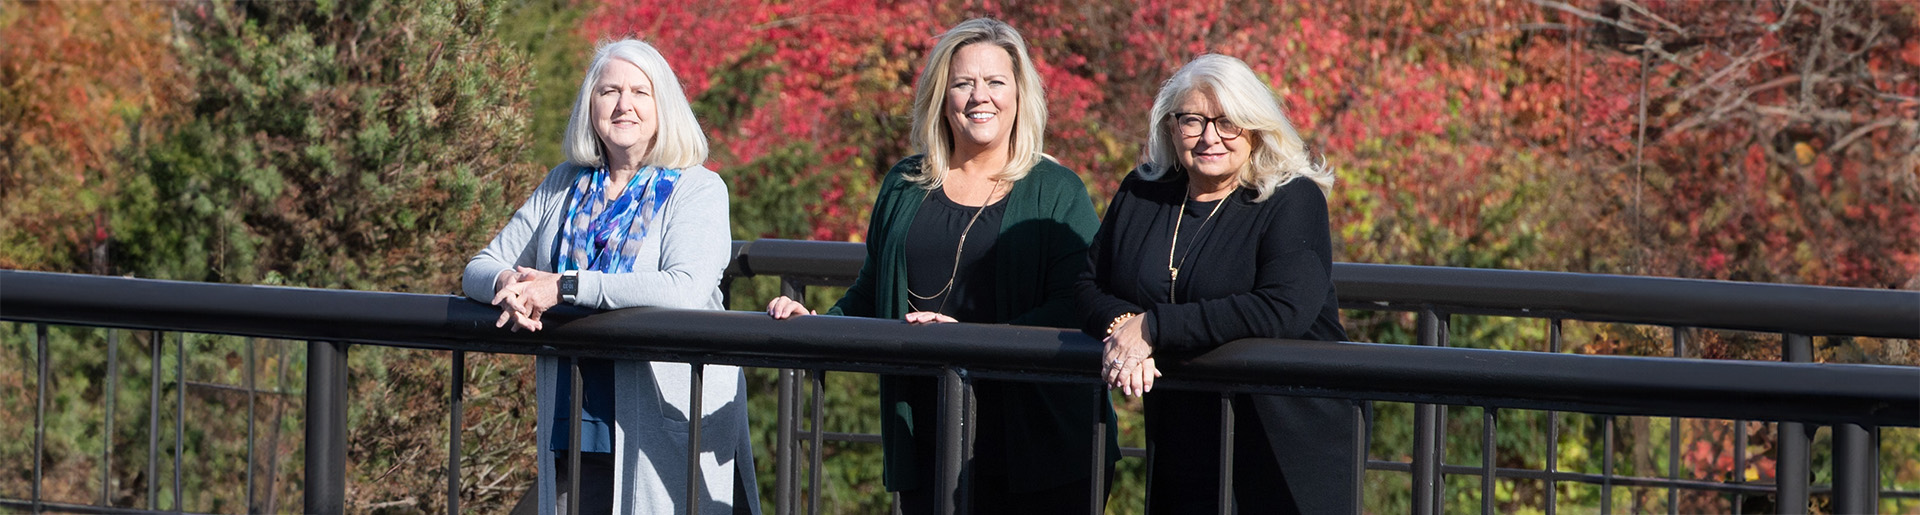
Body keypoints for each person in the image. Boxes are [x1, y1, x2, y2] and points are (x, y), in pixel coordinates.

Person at [765, 18, 1119, 513]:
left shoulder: (1055, 191)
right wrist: (819, 325)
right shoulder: (904, 183)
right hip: (931, 434)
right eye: (963, 83)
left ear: (1020, 95)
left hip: (1041, 448)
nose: (980, 97)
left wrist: (972, 338)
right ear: (941, 95)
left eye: (996, 82)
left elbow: (1075, 305)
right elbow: (873, 288)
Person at [463, 38, 759, 515]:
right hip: (577, 417)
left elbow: (683, 288)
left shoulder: (697, 188)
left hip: (663, 429)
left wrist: (564, 285)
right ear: (591, 105)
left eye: (641, 92)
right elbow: (478, 266)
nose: (625, 105)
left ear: (664, 106)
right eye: (609, 92)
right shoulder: (565, 184)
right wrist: (507, 287)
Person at [1075, 54, 1359, 514]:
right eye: (1193, 121)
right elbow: (1088, 285)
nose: (1210, 137)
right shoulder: (1143, 192)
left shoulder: (1291, 198)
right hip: (1183, 431)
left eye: (1227, 122)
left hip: (1284, 434)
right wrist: (1124, 326)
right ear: (1171, 127)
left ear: (1256, 128)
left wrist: (1154, 329)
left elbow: (1284, 308)